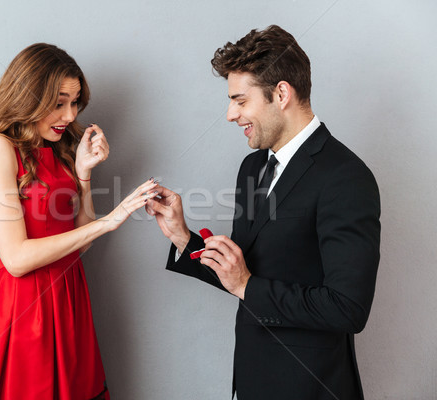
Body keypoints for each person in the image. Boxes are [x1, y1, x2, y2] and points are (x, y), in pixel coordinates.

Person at [146, 25, 380, 400]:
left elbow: (347, 309)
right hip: (252, 382)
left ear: (282, 93)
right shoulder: (253, 168)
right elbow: (244, 270)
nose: (229, 114)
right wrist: (181, 237)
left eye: (240, 100)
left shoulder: (346, 177)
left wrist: (246, 285)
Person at [0, 43, 157, 400]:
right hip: (26, 308)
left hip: (69, 298)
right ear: (27, 97)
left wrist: (82, 175)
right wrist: (111, 220)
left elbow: (84, 240)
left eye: (75, 102)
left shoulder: (58, 149)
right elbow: (15, 259)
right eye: (58, 102)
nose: (69, 114)